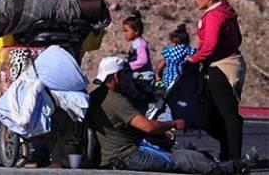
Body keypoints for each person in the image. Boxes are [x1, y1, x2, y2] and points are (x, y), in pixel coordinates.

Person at [86, 56, 243, 174]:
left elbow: (122, 125)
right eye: (126, 73)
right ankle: (229, 169)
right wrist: (174, 124)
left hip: (113, 153)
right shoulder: (117, 100)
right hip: (126, 155)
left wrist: (160, 132)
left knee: (177, 150)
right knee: (177, 159)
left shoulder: (96, 95)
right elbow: (148, 127)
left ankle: (220, 166)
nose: (129, 77)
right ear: (116, 76)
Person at [187, 0, 246, 162]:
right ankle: (228, 153)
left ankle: (234, 160)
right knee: (216, 114)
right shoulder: (225, 12)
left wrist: (192, 59)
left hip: (222, 66)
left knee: (227, 114)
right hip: (227, 63)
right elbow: (238, 39)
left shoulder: (214, 15)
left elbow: (210, 45)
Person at [156, 24, 196, 89]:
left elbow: (161, 65)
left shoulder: (170, 51)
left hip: (169, 81)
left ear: (176, 41)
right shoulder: (192, 51)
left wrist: (157, 75)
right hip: (187, 83)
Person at [122, 14, 154, 95]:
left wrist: (128, 66)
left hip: (144, 78)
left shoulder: (139, 44)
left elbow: (143, 60)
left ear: (136, 31)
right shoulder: (137, 43)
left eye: (126, 31)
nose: (124, 34)